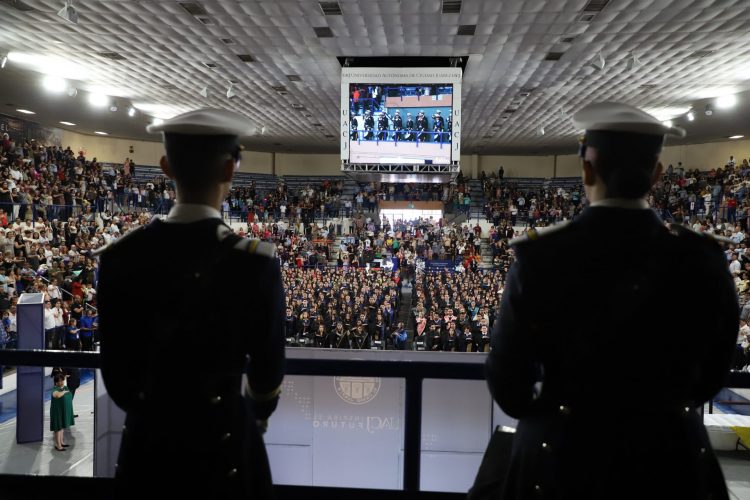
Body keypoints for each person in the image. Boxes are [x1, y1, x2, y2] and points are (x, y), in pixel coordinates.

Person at [485, 102, 738, 500]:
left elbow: (508, 383)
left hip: (560, 461)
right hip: (669, 461)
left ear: (587, 169)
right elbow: (712, 375)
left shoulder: (542, 257)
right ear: (657, 174)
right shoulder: (700, 257)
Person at [98, 109, 286, 498]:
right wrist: (255, 415)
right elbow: (267, 377)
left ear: (166, 166)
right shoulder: (254, 262)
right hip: (225, 447)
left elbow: (118, 379)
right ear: (230, 169)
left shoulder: (120, 257)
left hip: (147, 454)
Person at [50, 373, 74, 451]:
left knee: (61, 428)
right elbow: (57, 395)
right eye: (59, 381)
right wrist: (64, 392)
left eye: (62, 380)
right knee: (58, 428)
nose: (61, 382)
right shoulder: (55, 389)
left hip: (62, 411)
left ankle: (62, 442)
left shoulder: (64, 387)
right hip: (57, 412)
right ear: (56, 382)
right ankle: (58, 446)